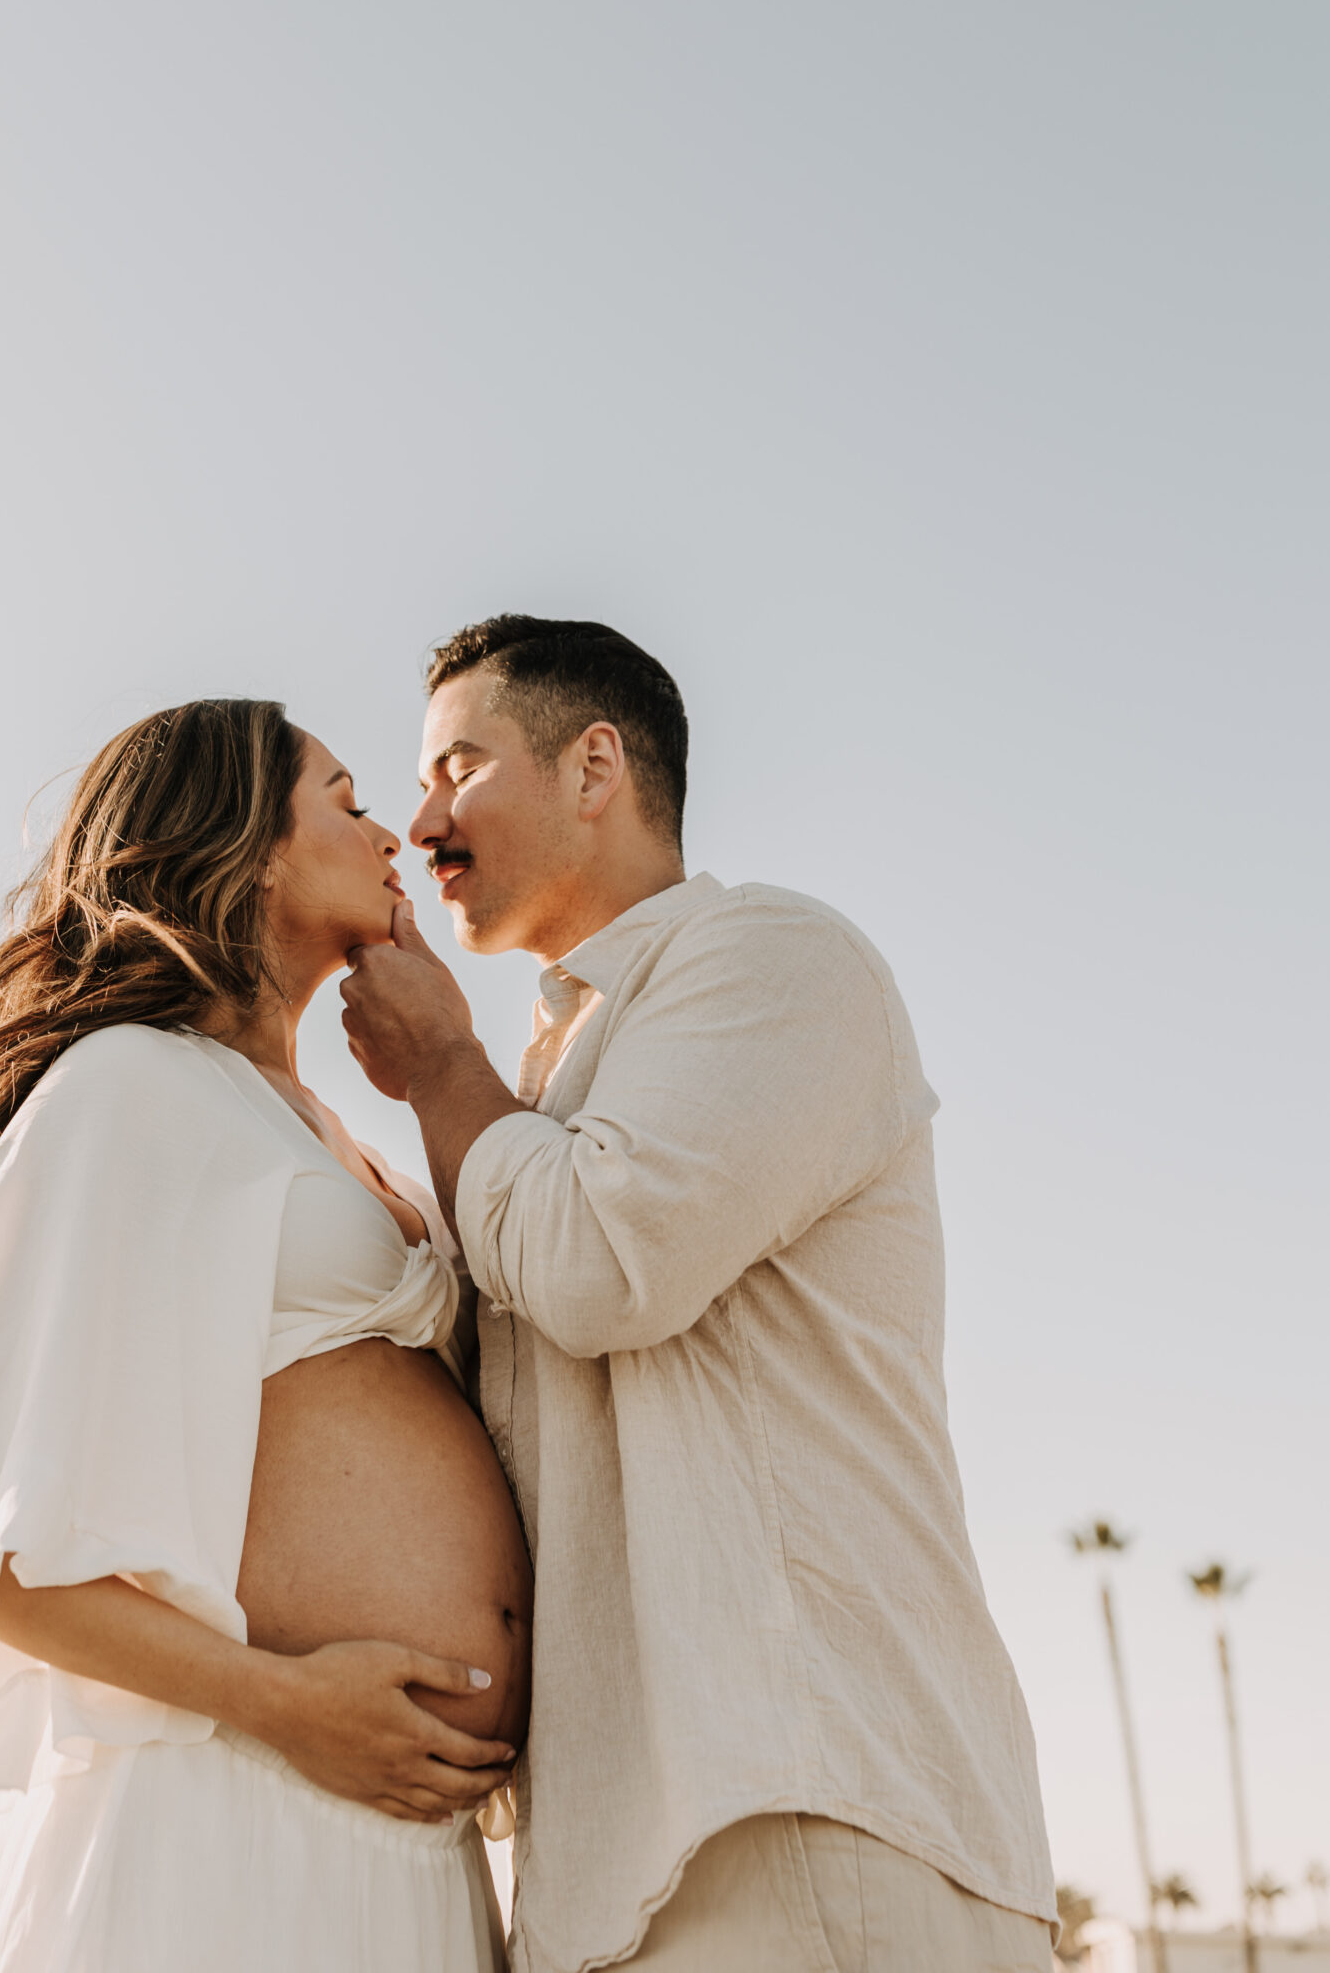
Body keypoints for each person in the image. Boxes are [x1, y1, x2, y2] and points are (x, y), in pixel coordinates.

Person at [341, 616, 1058, 1973]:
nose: (419, 822)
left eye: (457, 768)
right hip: (620, 1865)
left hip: (802, 1816)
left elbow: (603, 1268)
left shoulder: (770, 959)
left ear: (594, 764)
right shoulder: (546, 1079)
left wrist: (440, 1069)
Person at [0, 699, 529, 1973]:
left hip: (400, 1848)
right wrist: (288, 1705)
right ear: (244, 845)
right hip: (224, 1816)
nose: (392, 832)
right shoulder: (130, 1083)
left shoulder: (334, 1133)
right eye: (346, 801)